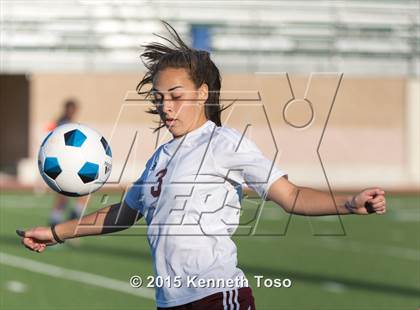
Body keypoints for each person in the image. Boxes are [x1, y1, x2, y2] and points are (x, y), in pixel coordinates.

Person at [18, 22, 387, 310]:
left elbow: (289, 195)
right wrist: (56, 233)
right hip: (170, 301)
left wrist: (349, 204)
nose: (166, 107)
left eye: (176, 96)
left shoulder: (225, 144)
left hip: (219, 297)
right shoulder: (159, 159)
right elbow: (123, 215)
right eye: (160, 98)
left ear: (203, 93)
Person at [47, 99, 88, 227]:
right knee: (63, 196)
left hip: (70, 164)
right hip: (62, 165)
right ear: (66, 109)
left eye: (74, 109)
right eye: (70, 109)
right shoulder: (62, 123)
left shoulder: (70, 123)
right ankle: (56, 223)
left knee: (85, 190)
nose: (72, 111)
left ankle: (73, 217)